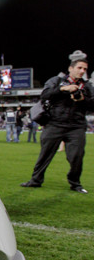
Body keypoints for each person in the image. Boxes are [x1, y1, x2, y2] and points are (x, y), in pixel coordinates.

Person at [20, 58, 94, 193]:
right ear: (71, 68)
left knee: (76, 156)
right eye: (80, 68)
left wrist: (82, 99)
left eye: (85, 69)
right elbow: (45, 95)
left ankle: (75, 183)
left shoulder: (87, 86)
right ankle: (35, 180)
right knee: (45, 154)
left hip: (76, 125)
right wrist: (63, 89)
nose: (82, 71)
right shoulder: (57, 80)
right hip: (55, 123)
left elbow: (92, 104)